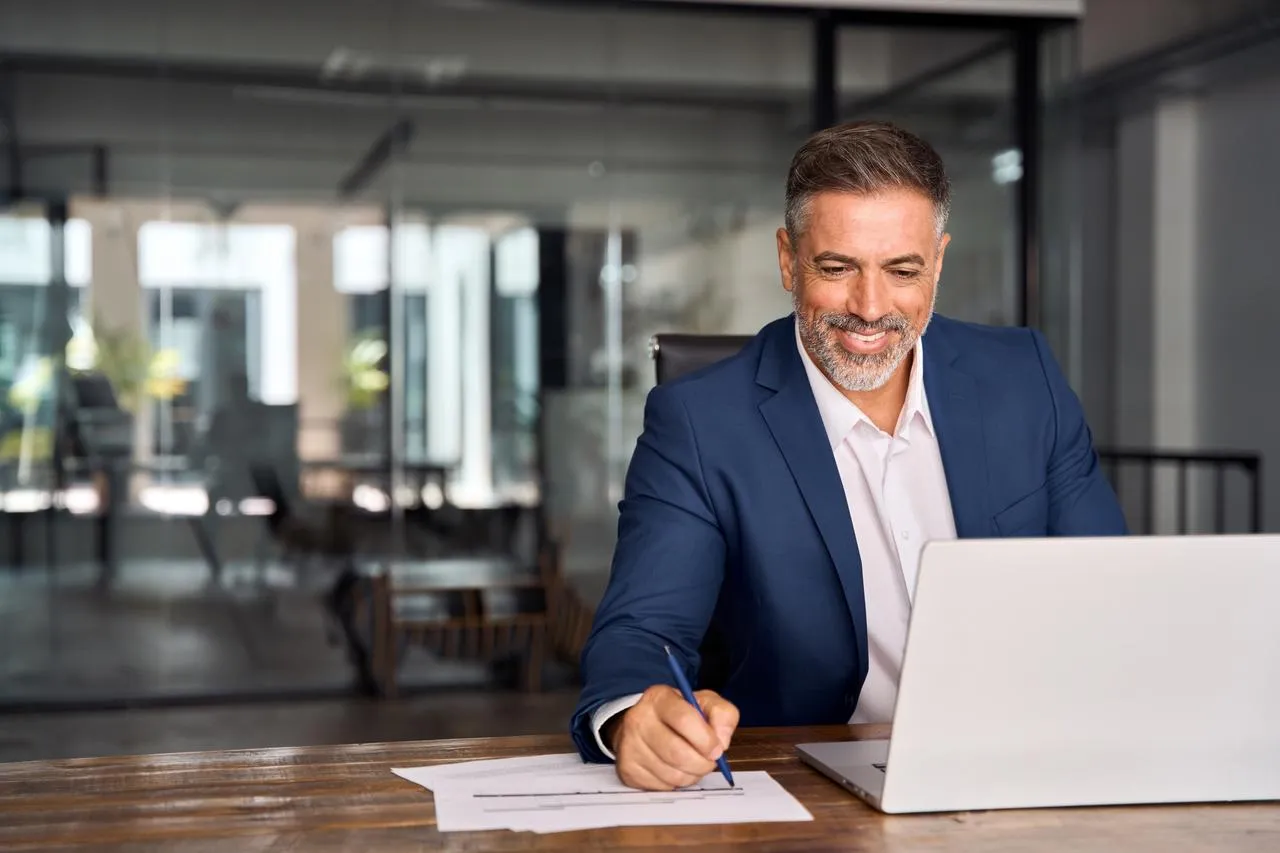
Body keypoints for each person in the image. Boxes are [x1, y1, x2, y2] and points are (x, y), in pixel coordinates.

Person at [569, 120, 1128, 791]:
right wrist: (640, 715)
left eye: (902, 270)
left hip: (1021, 770)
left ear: (938, 262)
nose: (870, 307)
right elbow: (640, 630)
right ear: (788, 259)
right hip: (804, 789)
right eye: (837, 268)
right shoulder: (700, 423)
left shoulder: (1024, 379)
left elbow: (1109, 595)